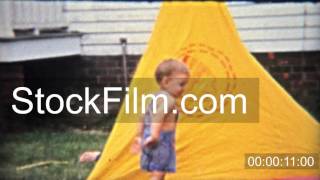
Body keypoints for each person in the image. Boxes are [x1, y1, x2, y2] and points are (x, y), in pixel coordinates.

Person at [131, 59, 189, 180]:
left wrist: (139, 136)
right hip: (161, 139)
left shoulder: (155, 97)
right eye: (181, 84)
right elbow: (158, 117)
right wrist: (155, 136)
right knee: (159, 171)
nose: (184, 88)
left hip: (149, 136)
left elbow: (143, 116)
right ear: (166, 81)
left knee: (157, 170)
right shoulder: (169, 100)